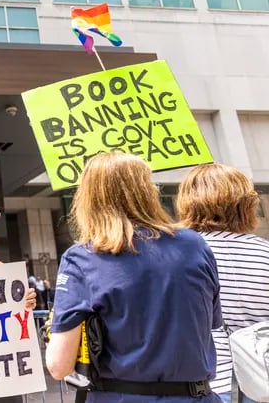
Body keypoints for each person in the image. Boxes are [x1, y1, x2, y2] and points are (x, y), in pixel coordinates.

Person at [46, 152, 222, 402]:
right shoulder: (195, 245)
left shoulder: (82, 258)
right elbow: (209, 323)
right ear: (148, 191)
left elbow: (58, 366)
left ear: (88, 198)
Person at [176, 163, 269, 403]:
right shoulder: (265, 252)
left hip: (206, 384)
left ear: (187, 202)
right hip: (263, 383)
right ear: (247, 205)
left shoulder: (177, 256)